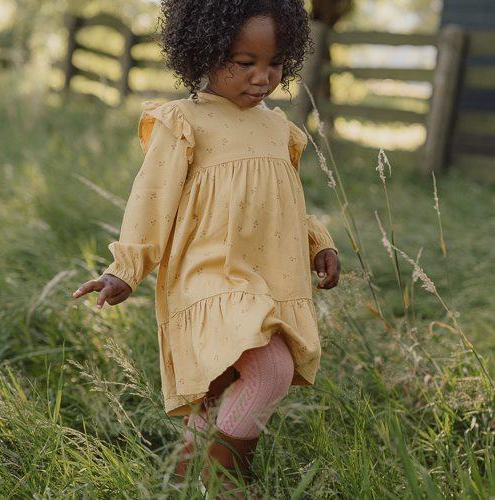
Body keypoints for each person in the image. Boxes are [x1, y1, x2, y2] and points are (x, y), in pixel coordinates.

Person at [72, 0, 340, 496]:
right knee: (271, 371)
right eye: (245, 63)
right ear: (203, 53)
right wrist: (125, 269)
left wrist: (316, 243)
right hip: (208, 275)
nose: (263, 76)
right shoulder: (184, 123)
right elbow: (150, 201)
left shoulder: (278, 128)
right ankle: (226, 484)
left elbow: (283, 200)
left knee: (217, 393)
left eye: (275, 62)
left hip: (268, 275)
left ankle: (181, 482)